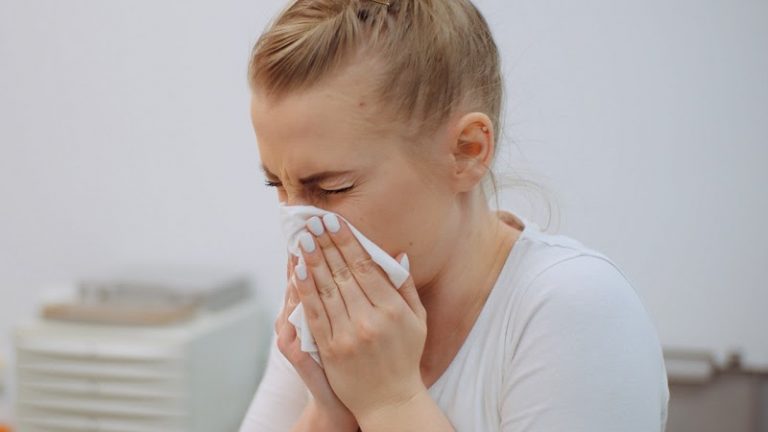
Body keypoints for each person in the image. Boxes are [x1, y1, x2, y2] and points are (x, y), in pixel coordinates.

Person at [240, 0, 669, 431]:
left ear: (467, 152)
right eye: (276, 185)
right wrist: (329, 410)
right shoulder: (335, 313)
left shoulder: (575, 308)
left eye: (335, 188)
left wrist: (388, 400)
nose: (298, 227)